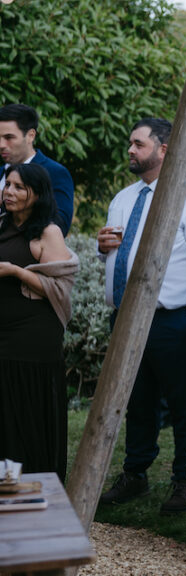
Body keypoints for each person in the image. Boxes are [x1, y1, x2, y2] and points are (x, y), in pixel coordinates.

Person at [98, 117, 186, 514]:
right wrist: (104, 247)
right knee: (136, 399)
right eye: (130, 143)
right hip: (125, 318)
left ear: (164, 149)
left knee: (185, 403)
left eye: (138, 144)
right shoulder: (123, 197)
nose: (130, 150)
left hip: (172, 320)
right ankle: (135, 474)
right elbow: (120, 249)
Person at [0, 163, 77, 481]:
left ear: (37, 193)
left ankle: (32, 482)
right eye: (8, 185)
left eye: (19, 187)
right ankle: (6, 482)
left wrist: (17, 271)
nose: (9, 192)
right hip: (3, 331)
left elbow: (59, 288)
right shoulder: (2, 224)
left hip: (33, 336)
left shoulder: (47, 231)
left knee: (25, 408)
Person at [0, 104, 75, 235]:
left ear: (30, 135)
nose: (1, 145)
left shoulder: (55, 172)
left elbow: (60, 227)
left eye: (9, 138)